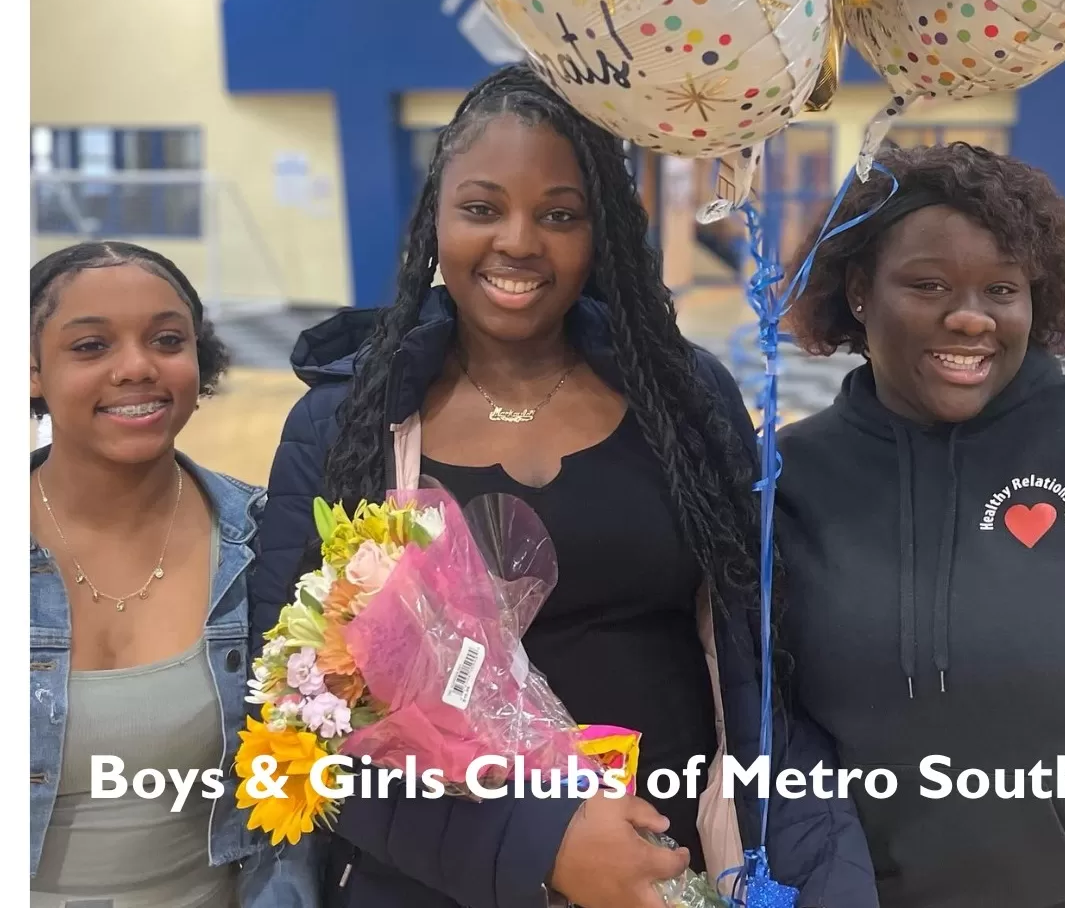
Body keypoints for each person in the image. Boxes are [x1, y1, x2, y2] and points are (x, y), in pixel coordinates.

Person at [252, 65, 878, 908]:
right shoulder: (348, 425)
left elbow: (757, 669)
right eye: (481, 209)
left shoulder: (682, 399)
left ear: (604, 232)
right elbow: (291, 731)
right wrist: (537, 849)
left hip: (669, 875)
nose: (518, 240)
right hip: (430, 886)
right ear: (434, 220)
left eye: (559, 215)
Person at [774, 142, 1065, 908]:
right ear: (856, 291)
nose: (969, 317)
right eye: (928, 284)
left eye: (1000, 290)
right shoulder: (790, 478)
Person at [30, 241, 319, 908]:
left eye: (165, 339)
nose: (136, 367)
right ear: (32, 370)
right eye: (90, 347)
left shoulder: (273, 543)